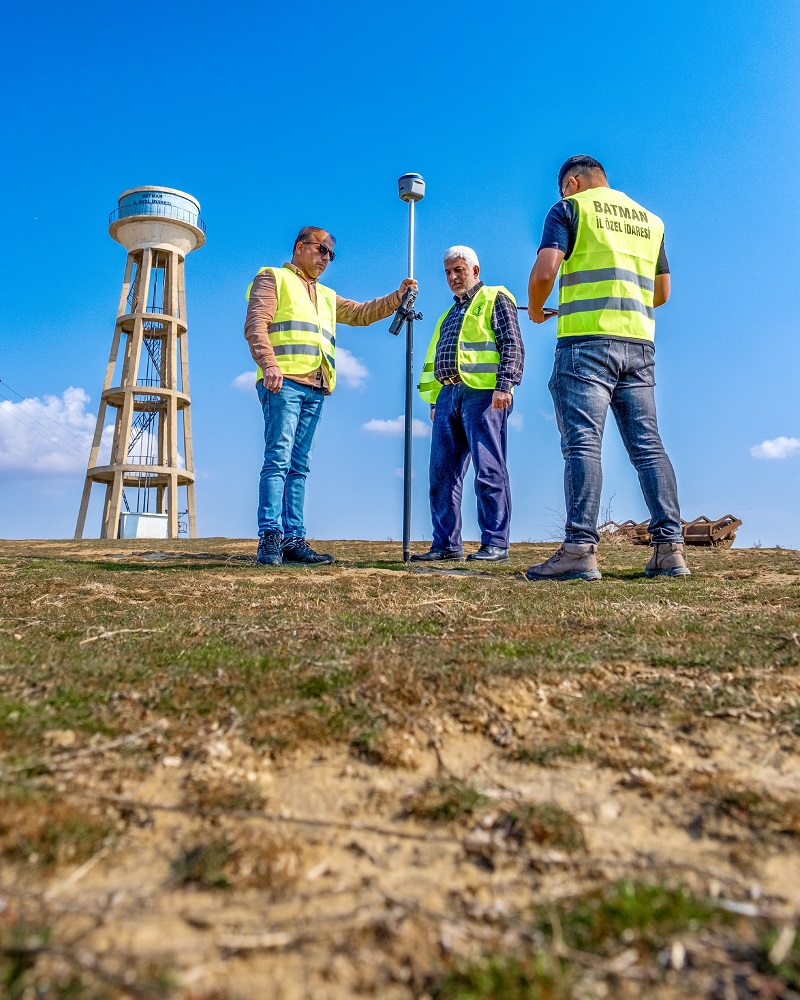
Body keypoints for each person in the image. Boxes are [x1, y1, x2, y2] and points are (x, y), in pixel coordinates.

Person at [525, 155, 689, 581]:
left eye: (563, 187)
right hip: (638, 344)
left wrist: (539, 310)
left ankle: (579, 550)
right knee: (648, 446)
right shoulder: (650, 220)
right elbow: (663, 292)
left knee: (582, 444)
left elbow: (546, 269)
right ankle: (670, 550)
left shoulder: (569, 209)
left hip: (585, 344)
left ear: (573, 182)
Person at [245, 227, 416, 566]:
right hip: (283, 383)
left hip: (316, 386)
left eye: (330, 254)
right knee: (278, 459)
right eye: (321, 249)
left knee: (299, 466)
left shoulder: (325, 295)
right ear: (299, 247)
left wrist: (398, 297)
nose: (325, 258)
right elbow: (256, 325)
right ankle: (270, 537)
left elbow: (361, 313)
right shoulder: (273, 278)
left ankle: (293, 539)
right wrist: (269, 364)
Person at [412, 246, 524, 563]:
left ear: (475, 269)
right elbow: (437, 357)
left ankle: (495, 544)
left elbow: (511, 342)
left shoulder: (495, 297)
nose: (452, 277)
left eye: (458, 270)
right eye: (448, 272)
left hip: (485, 394)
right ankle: (446, 546)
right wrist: (435, 400)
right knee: (441, 475)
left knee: (488, 470)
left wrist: (506, 385)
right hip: (448, 396)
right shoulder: (449, 315)